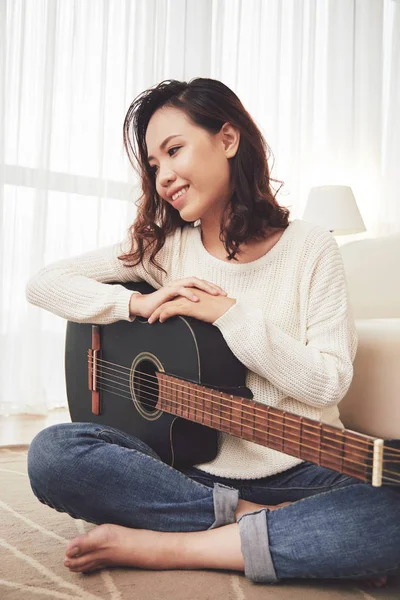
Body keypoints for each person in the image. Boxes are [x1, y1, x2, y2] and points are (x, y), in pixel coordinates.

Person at [26, 77, 399, 585]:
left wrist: (231, 314)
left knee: (390, 514)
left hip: (305, 470)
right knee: (54, 454)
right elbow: (45, 284)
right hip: (188, 474)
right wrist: (136, 302)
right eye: (153, 165)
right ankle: (248, 523)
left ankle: (170, 547)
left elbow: (329, 382)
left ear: (227, 139)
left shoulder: (312, 248)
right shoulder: (167, 251)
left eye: (174, 150)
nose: (162, 177)